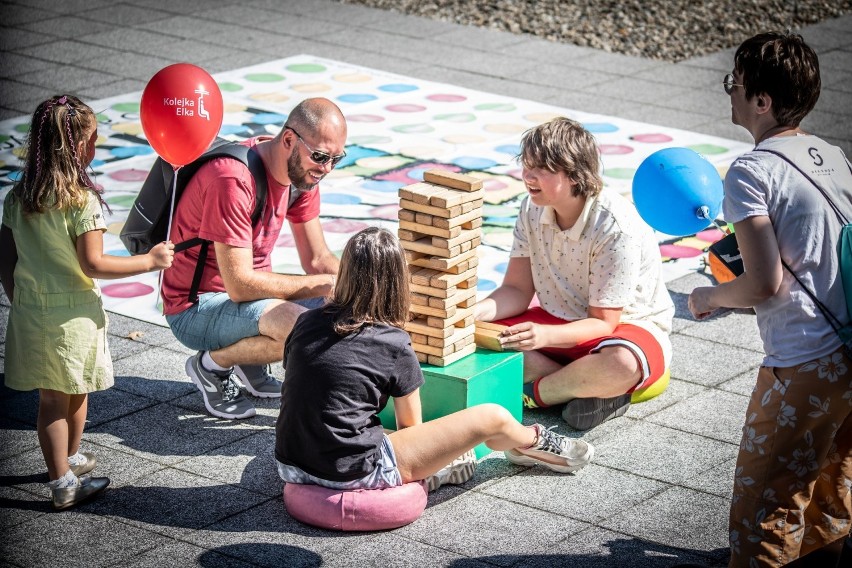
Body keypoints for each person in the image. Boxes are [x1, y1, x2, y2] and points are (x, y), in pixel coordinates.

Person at [688, 32, 852, 568]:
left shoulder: (751, 170)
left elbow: (764, 284)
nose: (730, 91)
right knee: (831, 493)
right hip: (850, 352)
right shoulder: (832, 155)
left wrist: (709, 295)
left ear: (763, 100)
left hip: (804, 359)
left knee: (767, 506)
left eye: (735, 82)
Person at [275, 227, 594, 493]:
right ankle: (531, 441)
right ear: (398, 282)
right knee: (492, 417)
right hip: (354, 474)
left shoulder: (306, 321)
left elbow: (305, 386)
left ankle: (474, 457)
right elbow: (410, 430)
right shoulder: (393, 343)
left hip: (290, 465)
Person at [0, 95, 174, 510]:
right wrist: (148, 260)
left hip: (33, 309)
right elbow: (93, 263)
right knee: (62, 398)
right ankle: (61, 481)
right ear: (78, 147)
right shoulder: (81, 200)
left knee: (69, 390)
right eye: (93, 140)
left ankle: (70, 458)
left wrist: (20, 299)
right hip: (73, 312)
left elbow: (5, 260)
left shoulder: (18, 196)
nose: (95, 147)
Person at [474, 117, 674, 430]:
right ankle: (583, 391)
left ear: (574, 174)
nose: (528, 175)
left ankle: (537, 394)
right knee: (475, 336)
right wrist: (471, 314)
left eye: (542, 168)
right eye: (527, 165)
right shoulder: (531, 208)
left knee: (622, 363)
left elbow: (604, 321)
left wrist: (543, 336)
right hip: (559, 323)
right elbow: (516, 289)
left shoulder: (614, 225)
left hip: (623, 328)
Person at [162, 98, 344, 420]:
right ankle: (212, 366)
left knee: (345, 312)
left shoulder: (302, 175)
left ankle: (251, 361)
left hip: (247, 300)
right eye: (320, 157)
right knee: (305, 327)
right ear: (289, 140)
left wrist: (371, 285)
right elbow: (240, 286)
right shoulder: (232, 179)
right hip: (195, 308)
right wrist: (324, 284)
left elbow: (317, 259)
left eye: (336, 159)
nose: (326, 169)